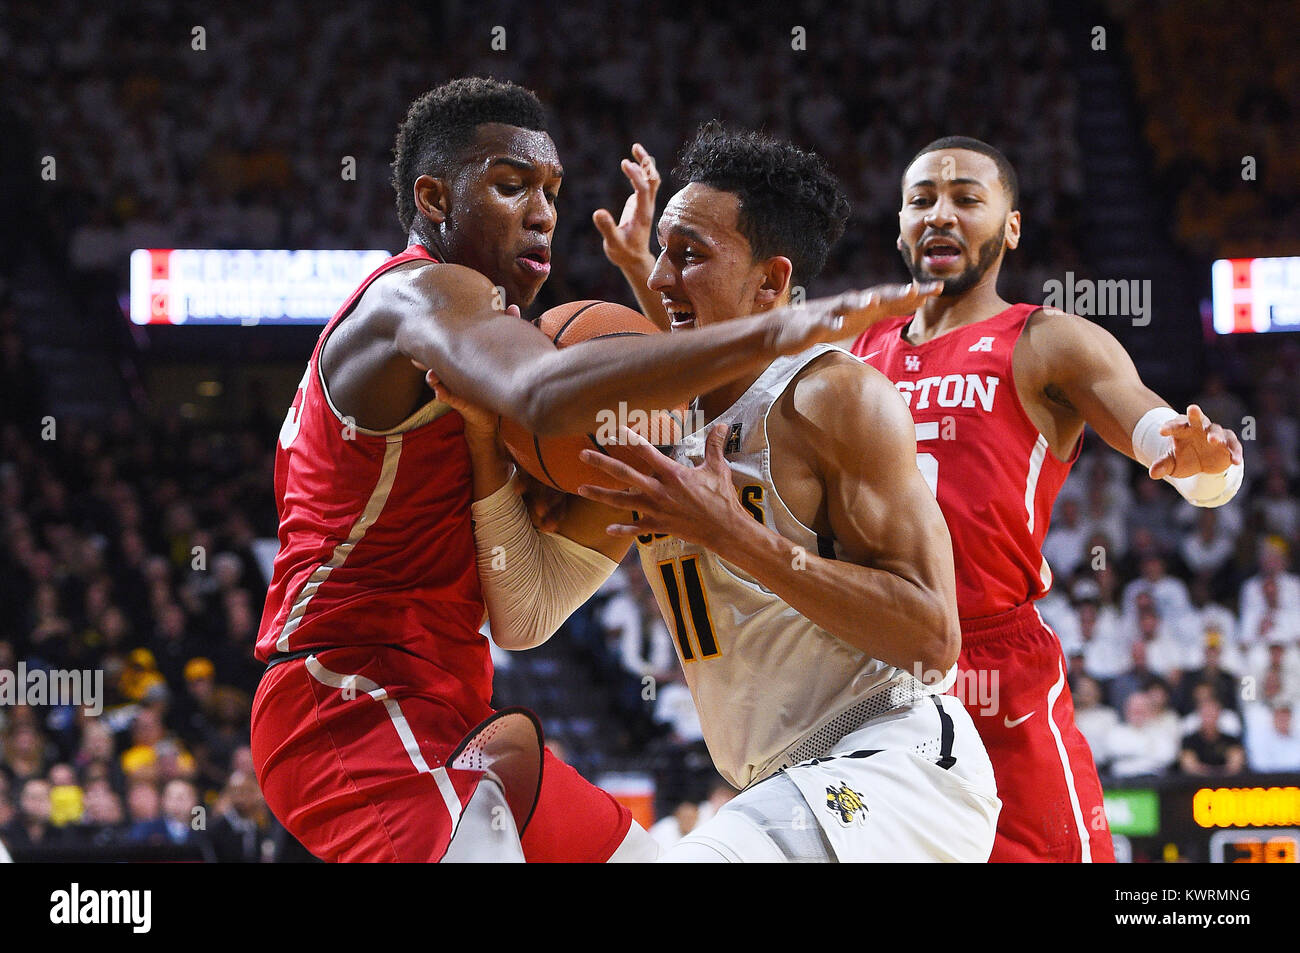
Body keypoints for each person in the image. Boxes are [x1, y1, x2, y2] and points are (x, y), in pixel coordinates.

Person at [250, 79, 928, 864]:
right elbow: (542, 397)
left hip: (449, 708)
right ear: (433, 198)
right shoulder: (421, 292)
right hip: (347, 696)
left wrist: (491, 459)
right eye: (511, 186)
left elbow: (528, 610)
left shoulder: (486, 336)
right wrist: (777, 331)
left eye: (553, 192)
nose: (542, 212)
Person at [440, 123, 1000, 862]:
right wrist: (487, 441)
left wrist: (732, 533)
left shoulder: (831, 398)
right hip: (781, 787)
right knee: (494, 809)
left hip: (896, 767)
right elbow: (526, 613)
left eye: (690, 256)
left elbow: (934, 642)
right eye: (661, 254)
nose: (662, 278)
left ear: (770, 282)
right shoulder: (652, 426)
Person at [846, 137, 1245, 861]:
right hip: (870, 666)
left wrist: (1200, 464)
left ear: (1011, 225)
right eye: (921, 199)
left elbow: (1154, 427)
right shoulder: (853, 353)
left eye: (967, 199)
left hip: (994, 662)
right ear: (899, 222)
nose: (941, 214)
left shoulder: (1045, 340)